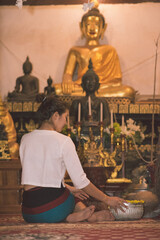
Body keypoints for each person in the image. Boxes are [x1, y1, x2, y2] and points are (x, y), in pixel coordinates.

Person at [20, 96, 127, 223]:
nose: (66, 122)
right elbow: (81, 182)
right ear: (55, 115)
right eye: (65, 117)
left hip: (29, 211)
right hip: (52, 210)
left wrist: (70, 188)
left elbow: (37, 179)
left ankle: (69, 217)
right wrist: (107, 199)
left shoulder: (25, 139)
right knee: (71, 196)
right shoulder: (63, 141)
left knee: (71, 192)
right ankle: (82, 216)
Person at [55, 7, 135, 100]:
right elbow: (68, 74)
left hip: (103, 87)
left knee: (128, 91)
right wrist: (67, 80)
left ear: (103, 28)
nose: (92, 28)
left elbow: (116, 81)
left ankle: (90, 94)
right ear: (82, 27)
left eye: (97, 24)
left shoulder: (109, 50)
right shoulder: (75, 50)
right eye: (88, 24)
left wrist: (100, 85)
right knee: (55, 90)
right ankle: (88, 93)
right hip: (82, 87)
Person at [70, 59, 110, 127]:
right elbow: (71, 119)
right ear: (82, 85)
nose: (90, 83)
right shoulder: (77, 102)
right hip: (81, 131)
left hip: (98, 131)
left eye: (93, 81)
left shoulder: (102, 102)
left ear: (98, 85)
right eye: (88, 81)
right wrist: (78, 124)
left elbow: (107, 119)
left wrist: (101, 124)